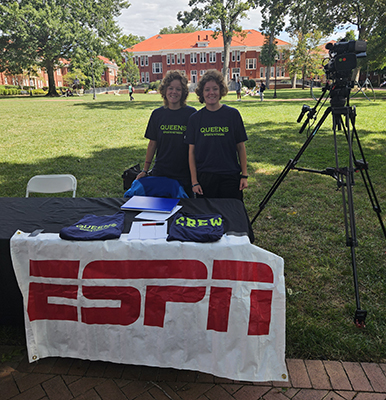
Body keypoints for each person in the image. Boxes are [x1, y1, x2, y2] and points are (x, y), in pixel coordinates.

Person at [185, 69, 248, 201]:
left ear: (221, 91)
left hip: (230, 175)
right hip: (205, 177)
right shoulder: (195, 119)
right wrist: (194, 181)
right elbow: (191, 152)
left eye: (215, 88)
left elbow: (241, 147)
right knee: (207, 218)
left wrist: (244, 175)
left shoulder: (232, 115)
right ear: (202, 92)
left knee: (231, 216)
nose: (211, 93)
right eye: (207, 89)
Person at [136, 70, 196, 196]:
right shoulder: (157, 114)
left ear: (184, 92)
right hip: (161, 172)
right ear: (164, 90)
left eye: (178, 89)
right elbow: (152, 144)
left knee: (185, 210)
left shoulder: (191, 114)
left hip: (184, 174)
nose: (174, 92)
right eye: (170, 88)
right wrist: (145, 170)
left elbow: (195, 147)